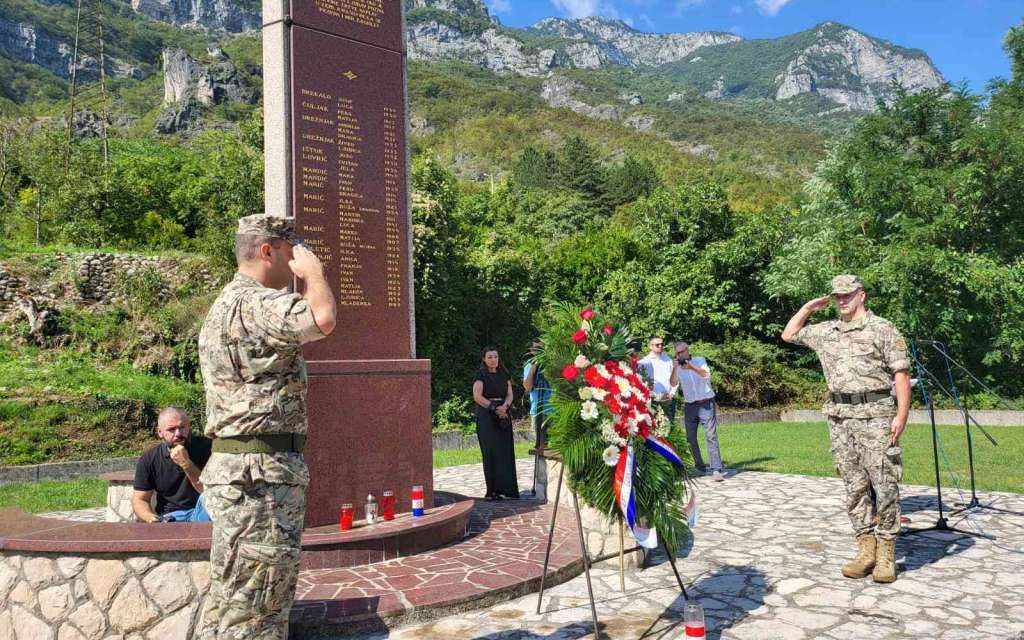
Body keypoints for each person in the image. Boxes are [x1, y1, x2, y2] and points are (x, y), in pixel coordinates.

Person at [195, 214, 336, 639]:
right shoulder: (255, 304)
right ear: (267, 250)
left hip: (244, 473)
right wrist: (315, 274)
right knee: (258, 607)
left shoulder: (225, 305)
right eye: (291, 251)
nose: (296, 260)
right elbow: (322, 317)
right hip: (259, 477)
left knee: (235, 599)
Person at [782, 274, 910, 584]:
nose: (842, 300)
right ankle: (865, 550)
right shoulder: (828, 331)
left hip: (877, 415)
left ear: (861, 295)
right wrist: (808, 308)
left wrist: (901, 415)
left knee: (885, 484)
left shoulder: (882, 328)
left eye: (848, 295)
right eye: (837, 295)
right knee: (854, 486)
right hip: (840, 417)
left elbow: (901, 374)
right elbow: (789, 335)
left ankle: (886, 555)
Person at [132, 407, 212, 523]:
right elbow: (140, 499)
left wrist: (187, 464)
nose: (178, 434)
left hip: (203, 510)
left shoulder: (207, 448)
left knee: (208, 496)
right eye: (171, 429)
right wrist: (150, 517)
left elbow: (207, 490)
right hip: (172, 515)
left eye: (182, 427)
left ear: (189, 426)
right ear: (160, 432)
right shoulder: (149, 459)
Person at [674, 342, 725, 482]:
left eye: (681, 352)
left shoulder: (699, 360)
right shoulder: (677, 367)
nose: (679, 355)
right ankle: (700, 466)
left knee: (711, 436)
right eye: (677, 353)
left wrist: (690, 367)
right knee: (690, 438)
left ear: (687, 350)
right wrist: (674, 369)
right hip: (690, 405)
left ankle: (716, 469)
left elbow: (706, 375)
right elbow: (673, 384)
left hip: (706, 403)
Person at [472, 346, 518, 501]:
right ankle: (491, 491)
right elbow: (477, 396)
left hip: (503, 415)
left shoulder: (504, 374)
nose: (493, 360)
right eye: (490, 357)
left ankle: (507, 489)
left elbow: (510, 394)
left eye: (496, 357)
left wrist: (504, 407)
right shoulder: (480, 375)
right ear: (484, 359)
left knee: (504, 452)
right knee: (490, 453)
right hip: (486, 417)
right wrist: (493, 407)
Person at [523, 352, 553, 499]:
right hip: (538, 412)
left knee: (554, 449)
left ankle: (552, 486)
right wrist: (534, 367)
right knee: (540, 450)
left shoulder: (553, 362)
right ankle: (541, 488)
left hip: (555, 411)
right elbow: (527, 386)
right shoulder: (530, 364)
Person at [637, 335, 678, 404]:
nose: (660, 346)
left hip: (669, 398)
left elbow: (675, 376)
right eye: (657, 345)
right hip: (654, 401)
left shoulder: (668, 360)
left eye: (662, 344)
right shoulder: (644, 362)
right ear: (651, 346)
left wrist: (672, 393)